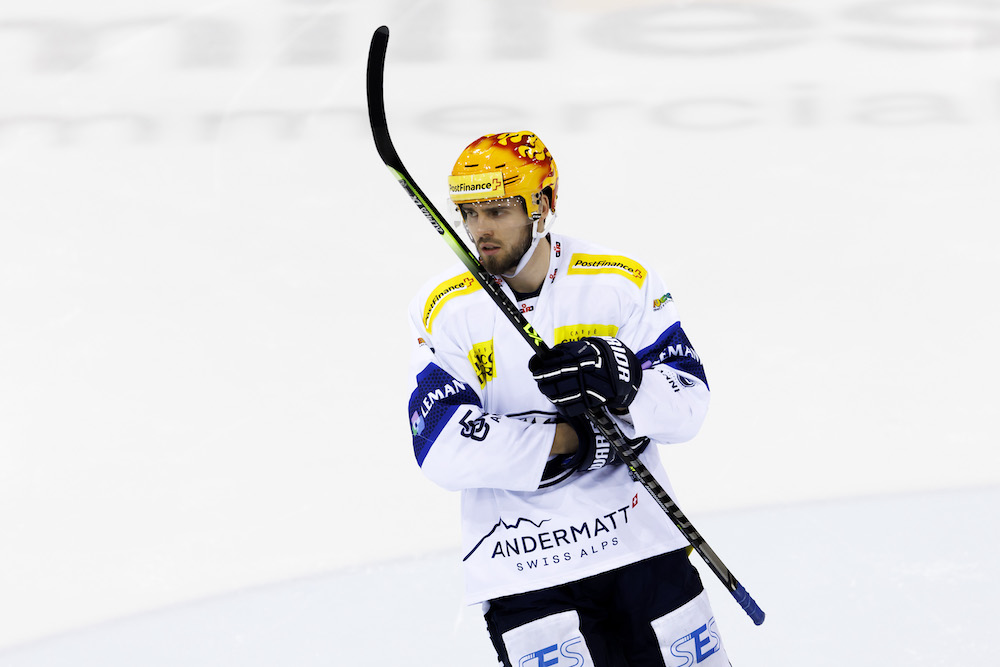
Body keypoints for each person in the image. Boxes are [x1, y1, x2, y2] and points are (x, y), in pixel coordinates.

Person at [406, 131, 731, 666]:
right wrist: (576, 440)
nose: (480, 229)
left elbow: (689, 405)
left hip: (641, 546)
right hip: (523, 568)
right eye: (469, 212)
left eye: (498, 210)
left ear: (543, 204)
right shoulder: (447, 307)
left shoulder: (619, 282)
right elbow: (441, 445)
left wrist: (624, 379)